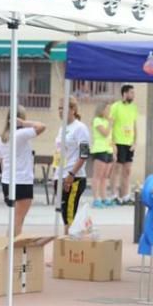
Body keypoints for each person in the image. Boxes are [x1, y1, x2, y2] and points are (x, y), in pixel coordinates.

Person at [0, 106, 46, 236]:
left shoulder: (1, 139)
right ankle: (11, 250)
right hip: (22, 181)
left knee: (15, 219)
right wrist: (24, 123)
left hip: (7, 181)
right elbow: (42, 126)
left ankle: (13, 248)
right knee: (18, 220)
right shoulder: (21, 134)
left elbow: (2, 163)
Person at [53, 97, 91, 228]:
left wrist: (71, 174)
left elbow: (84, 153)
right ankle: (67, 242)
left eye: (64, 108)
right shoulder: (62, 128)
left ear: (73, 110)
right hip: (60, 174)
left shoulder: (80, 128)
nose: (60, 111)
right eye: (59, 108)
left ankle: (68, 245)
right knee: (64, 215)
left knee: (69, 216)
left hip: (73, 177)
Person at [109, 84, 138, 205]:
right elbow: (110, 125)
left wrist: (135, 141)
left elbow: (135, 125)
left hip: (129, 143)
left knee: (127, 170)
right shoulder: (115, 106)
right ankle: (114, 195)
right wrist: (112, 143)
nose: (133, 95)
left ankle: (125, 195)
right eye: (131, 93)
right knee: (116, 169)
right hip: (118, 142)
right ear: (125, 93)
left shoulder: (134, 108)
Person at [90, 102, 113, 208]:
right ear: (102, 110)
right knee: (97, 176)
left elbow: (110, 137)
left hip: (108, 150)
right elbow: (105, 133)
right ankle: (96, 198)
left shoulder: (106, 121)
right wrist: (110, 124)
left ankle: (104, 197)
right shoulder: (97, 120)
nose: (109, 112)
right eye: (107, 109)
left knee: (105, 176)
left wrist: (114, 150)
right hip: (99, 150)